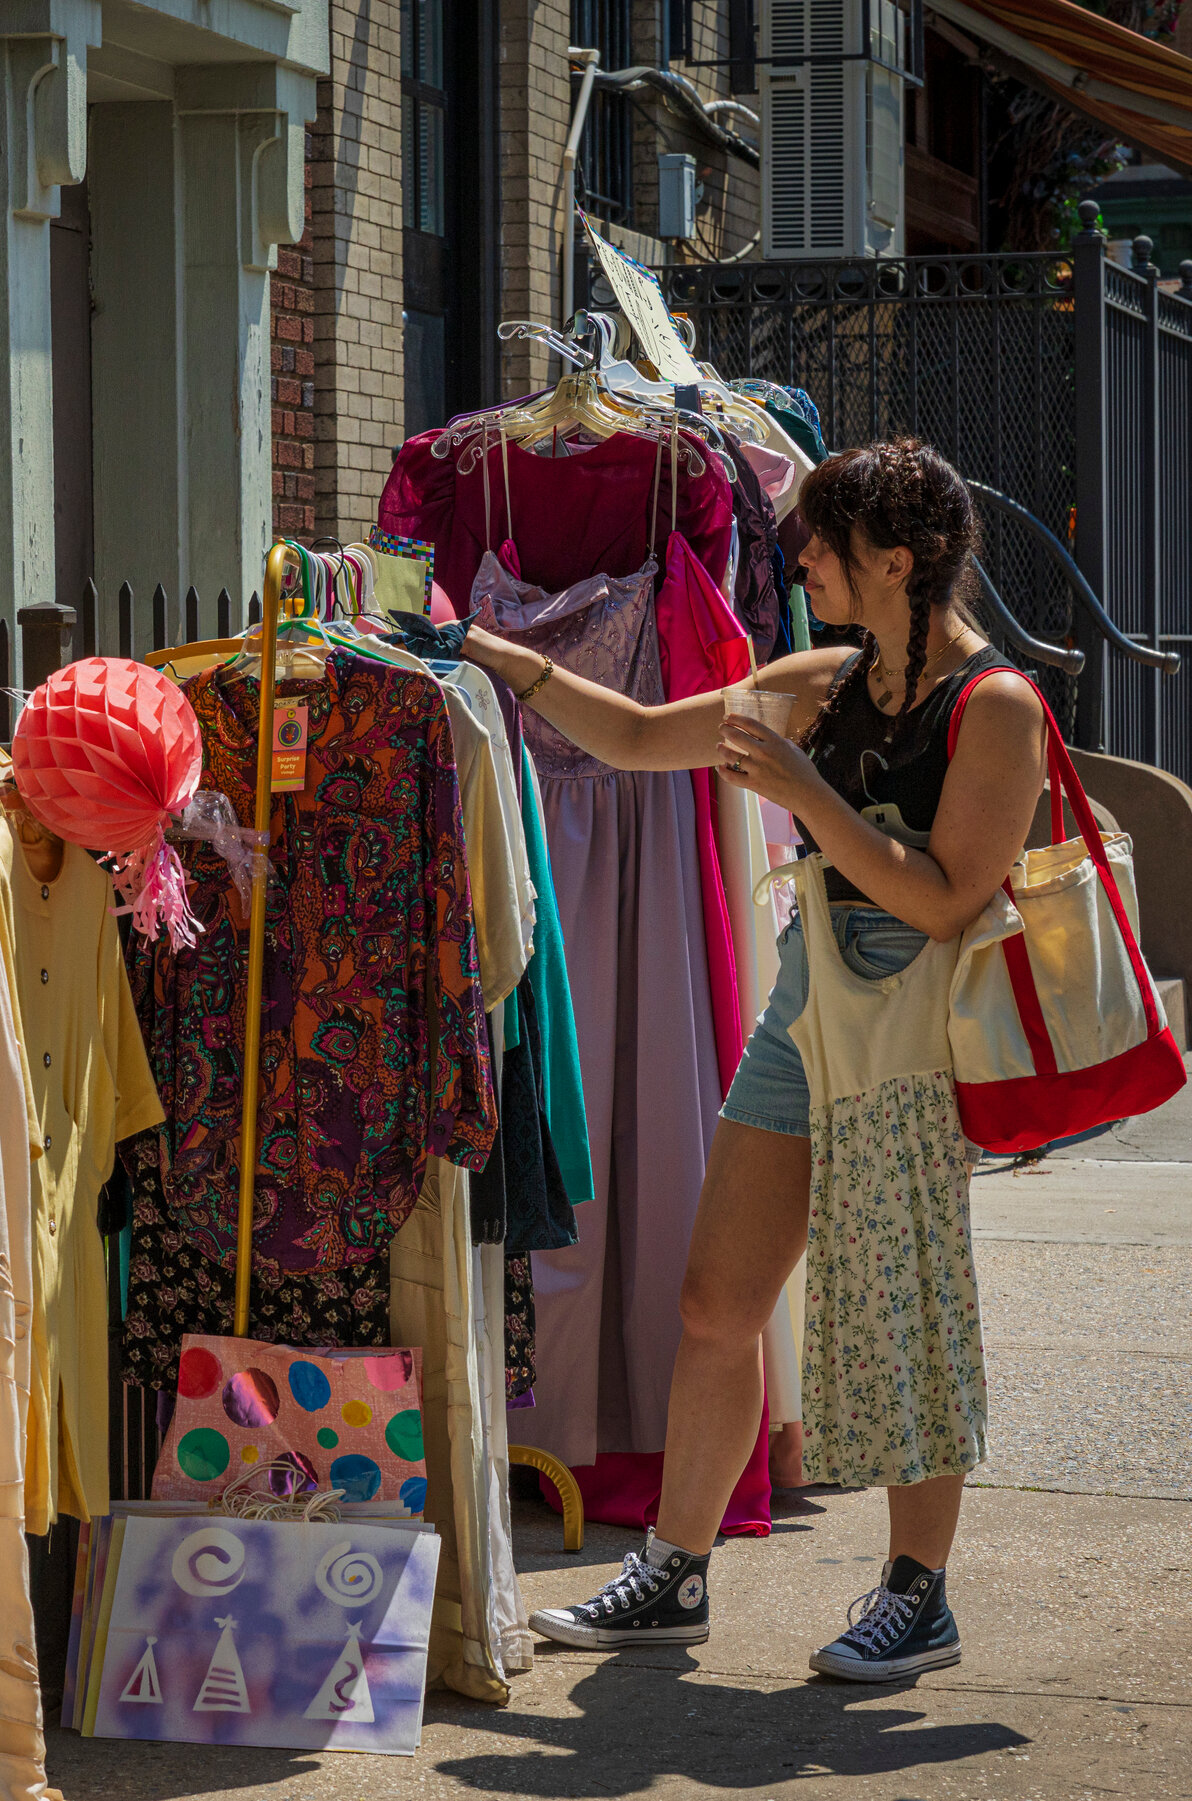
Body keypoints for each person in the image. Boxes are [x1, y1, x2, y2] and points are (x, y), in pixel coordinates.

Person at [464, 439, 1047, 1682]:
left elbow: (947, 899)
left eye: (827, 543)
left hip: (913, 1038)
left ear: (900, 560)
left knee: (903, 1315)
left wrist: (802, 790)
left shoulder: (995, 708)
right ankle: (675, 1574)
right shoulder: (824, 679)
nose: (802, 559)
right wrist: (499, 659)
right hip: (806, 1018)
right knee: (716, 1304)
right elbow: (628, 737)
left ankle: (918, 1591)